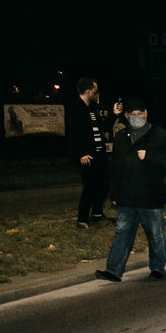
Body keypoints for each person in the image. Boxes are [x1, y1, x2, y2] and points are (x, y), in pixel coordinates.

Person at [94, 99, 166, 282]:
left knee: (155, 234)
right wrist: (114, 195)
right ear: (126, 116)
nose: (136, 117)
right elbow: (115, 168)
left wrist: (150, 156)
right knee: (122, 234)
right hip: (126, 196)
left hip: (151, 194)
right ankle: (113, 271)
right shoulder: (121, 137)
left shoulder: (160, 135)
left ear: (146, 114)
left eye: (140, 114)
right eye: (132, 114)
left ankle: (157, 268)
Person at [65, 77, 115, 228]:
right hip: (87, 156)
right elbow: (73, 134)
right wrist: (81, 154)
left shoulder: (90, 108)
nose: (97, 94)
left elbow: (103, 126)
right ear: (88, 92)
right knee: (90, 187)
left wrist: (114, 114)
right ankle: (82, 220)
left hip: (99, 154)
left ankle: (97, 213)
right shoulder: (76, 108)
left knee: (104, 184)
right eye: (95, 91)